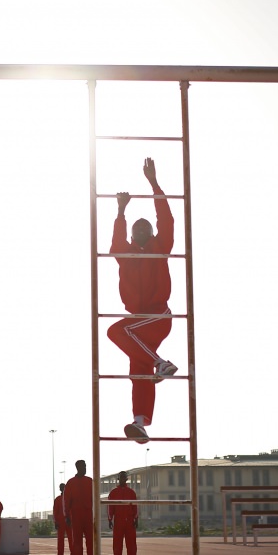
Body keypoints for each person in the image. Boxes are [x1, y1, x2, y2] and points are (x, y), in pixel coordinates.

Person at [107, 157, 176, 445]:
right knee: (139, 371)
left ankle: (161, 363)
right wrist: (121, 210)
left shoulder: (161, 247)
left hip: (157, 316)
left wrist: (153, 182)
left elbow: (166, 219)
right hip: (139, 319)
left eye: (147, 228)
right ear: (134, 235)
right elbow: (115, 243)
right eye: (139, 229)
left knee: (116, 331)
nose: (144, 231)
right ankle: (141, 422)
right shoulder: (126, 252)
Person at [63, 460, 93, 555]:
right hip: (76, 517)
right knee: (77, 543)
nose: (85, 468)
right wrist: (67, 516)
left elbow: (95, 498)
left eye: (85, 466)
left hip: (88, 516)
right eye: (83, 466)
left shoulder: (90, 481)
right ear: (77, 468)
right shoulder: (71, 483)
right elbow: (66, 501)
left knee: (91, 541)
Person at [107, 471, 138, 555]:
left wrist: (136, 519)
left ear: (126, 479)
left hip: (130, 522)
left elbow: (135, 507)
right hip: (118, 521)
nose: (122, 479)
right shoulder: (113, 493)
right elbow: (110, 507)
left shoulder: (131, 493)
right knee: (117, 544)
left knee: (131, 544)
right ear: (118, 479)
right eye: (121, 477)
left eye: (124, 477)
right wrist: (110, 519)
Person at [53, 482, 72, 555]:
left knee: (71, 539)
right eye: (62, 488)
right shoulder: (57, 499)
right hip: (61, 522)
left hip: (69, 521)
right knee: (61, 540)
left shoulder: (69, 498)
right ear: (60, 489)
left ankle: (73, 552)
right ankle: (60, 553)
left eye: (64, 487)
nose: (63, 489)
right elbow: (55, 511)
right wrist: (56, 522)